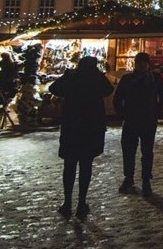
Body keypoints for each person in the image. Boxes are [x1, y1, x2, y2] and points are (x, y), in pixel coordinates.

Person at [49, 56, 114, 220]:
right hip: (90, 129)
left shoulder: (72, 77)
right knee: (86, 166)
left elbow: (54, 88)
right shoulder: (96, 79)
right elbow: (108, 90)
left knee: (69, 166)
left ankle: (67, 203)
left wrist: (69, 77)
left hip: (72, 128)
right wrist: (99, 75)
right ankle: (81, 203)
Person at [113, 52, 163, 197]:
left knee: (147, 151)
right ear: (136, 64)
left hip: (148, 120)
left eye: (144, 63)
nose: (142, 65)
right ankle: (129, 177)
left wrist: (156, 111)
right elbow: (118, 98)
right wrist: (123, 114)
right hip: (131, 119)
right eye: (140, 63)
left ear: (148, 64)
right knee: (129, 150)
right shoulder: (127, 79)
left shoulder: (155, 78)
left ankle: (146, 179)